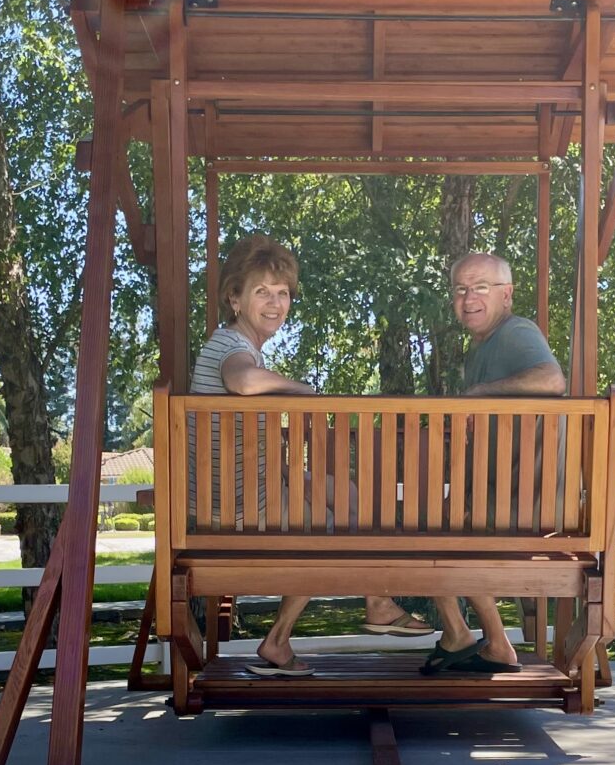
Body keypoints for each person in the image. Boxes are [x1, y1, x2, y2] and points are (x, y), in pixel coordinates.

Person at [191, 234, 431, 678]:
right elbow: (244, 382)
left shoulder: (233, 344)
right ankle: (287, 636)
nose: (275, 303)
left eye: (282, 293)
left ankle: (377, 601)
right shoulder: (231, 348)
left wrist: (290, 473)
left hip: (237, 493)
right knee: (331, 526)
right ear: (235, 298)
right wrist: (304, 391)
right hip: (234, 509)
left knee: (352, 496)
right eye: (262, 291)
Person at [421, 252, 566, 675]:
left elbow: (552, 380)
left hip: (525, 503)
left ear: (506, 294)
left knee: (424, 527)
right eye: (460, 289)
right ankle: (482, 640)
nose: (469, 298)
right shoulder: (482, 350)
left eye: (480, 287)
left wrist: (478, 393)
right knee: (433, 520)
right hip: (512, 495)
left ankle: (464, 636)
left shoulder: (516, 331)